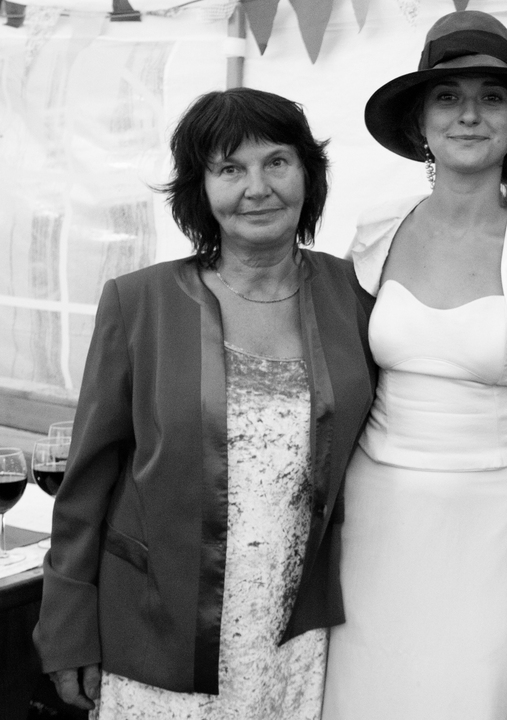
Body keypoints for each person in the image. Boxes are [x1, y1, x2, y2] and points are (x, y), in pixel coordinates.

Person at [34, 88, 378, 718]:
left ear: (308, 174)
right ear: (200, 188)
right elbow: (85, 484)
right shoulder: (139, 303)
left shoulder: (353, 294)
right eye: (230, 168)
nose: (257, 188)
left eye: (277, 162)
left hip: (296, 638)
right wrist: (66, 628)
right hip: (157, 626)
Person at [321, 10, 507, 720]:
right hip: (378, 508)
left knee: (478, 691)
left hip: (493, 516)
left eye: (492, 97)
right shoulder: (377, 232)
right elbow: (343, 360)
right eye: (448, 97)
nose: (469, 114)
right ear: (420, 122)